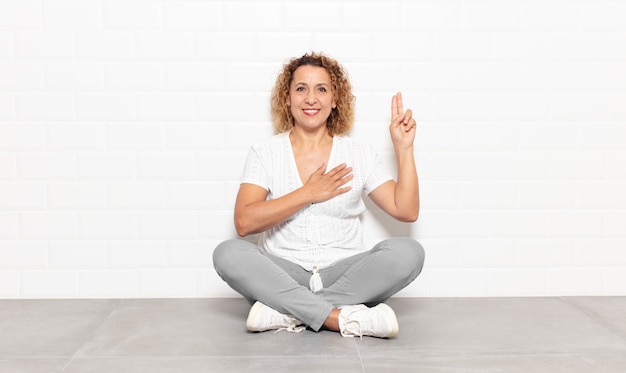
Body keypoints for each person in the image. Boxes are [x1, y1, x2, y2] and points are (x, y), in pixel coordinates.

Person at [213, 52, 425, 338]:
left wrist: (404, 149)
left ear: (335, 99)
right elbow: (244, 223)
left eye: (321, 89)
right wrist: (307, 193)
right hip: (284, 273)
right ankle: (341, 318)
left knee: (408, 252)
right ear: (287, 98)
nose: (311, 98)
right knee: (227, 254)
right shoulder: (265, 153)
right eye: (301, 89)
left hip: (345, 273)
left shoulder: (358, 153)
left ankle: (288, 312)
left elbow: (406, 210)